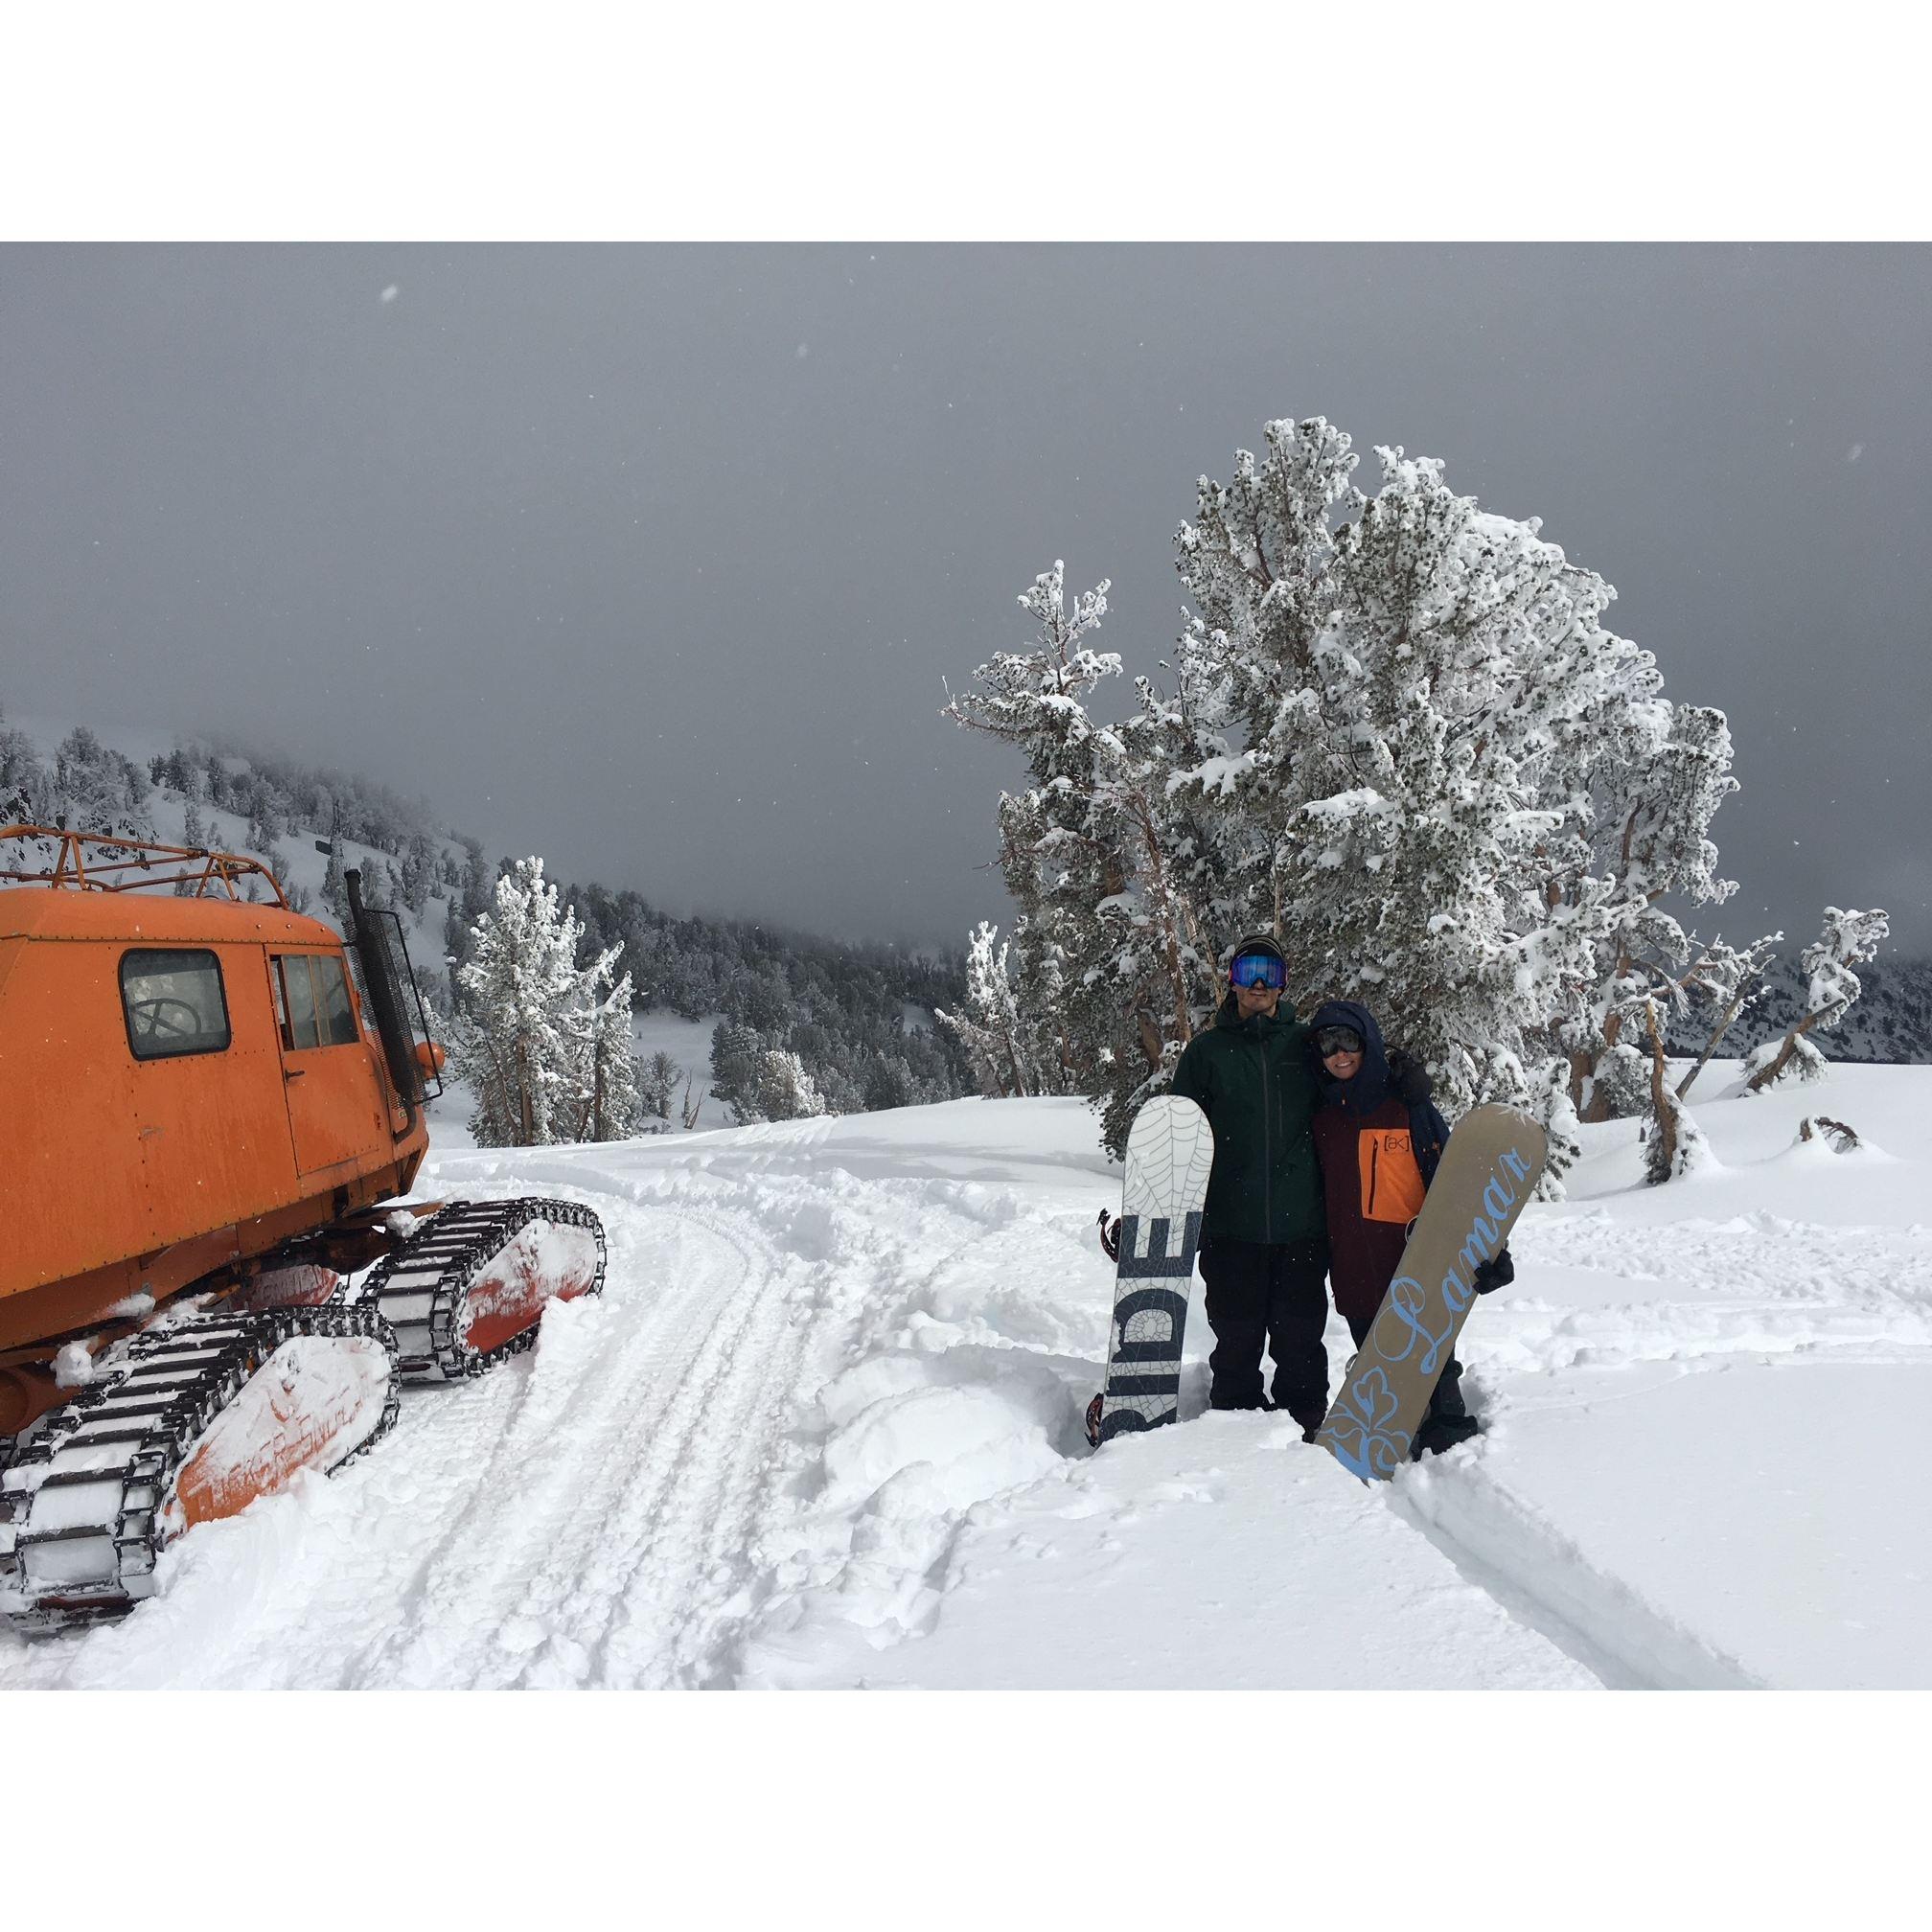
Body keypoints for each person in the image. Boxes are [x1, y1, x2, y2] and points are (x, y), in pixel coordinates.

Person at [1306, 998, 1511, 1459]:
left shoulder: (1407, 1104)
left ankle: (1453, 1447)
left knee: (1434, 1363)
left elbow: (1456, 1181)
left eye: (1350, 1041)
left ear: (1369, 1043)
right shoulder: (1320, 1116)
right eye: (1327, 1044)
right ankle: (1395, 1438)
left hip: (1416, 1261)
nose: (1340, 1053)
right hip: (1354, 1267)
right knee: (1380, 1364)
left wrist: (1493, 1247)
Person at [1164, 935, 1334, 1434]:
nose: (1258, 984)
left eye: (1269, 972)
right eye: (1248, 971)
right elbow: (1180, 1136)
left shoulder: (1306, 1045)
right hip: (1230, 1228)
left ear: (1283, 983)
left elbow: (1353, 1081)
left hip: (1300, 1224)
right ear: (1232, 980)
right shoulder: (1207, 1053)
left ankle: (1305, 1422)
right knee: (1236, 1338)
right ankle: (1236, 1429)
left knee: (1300, 1337)